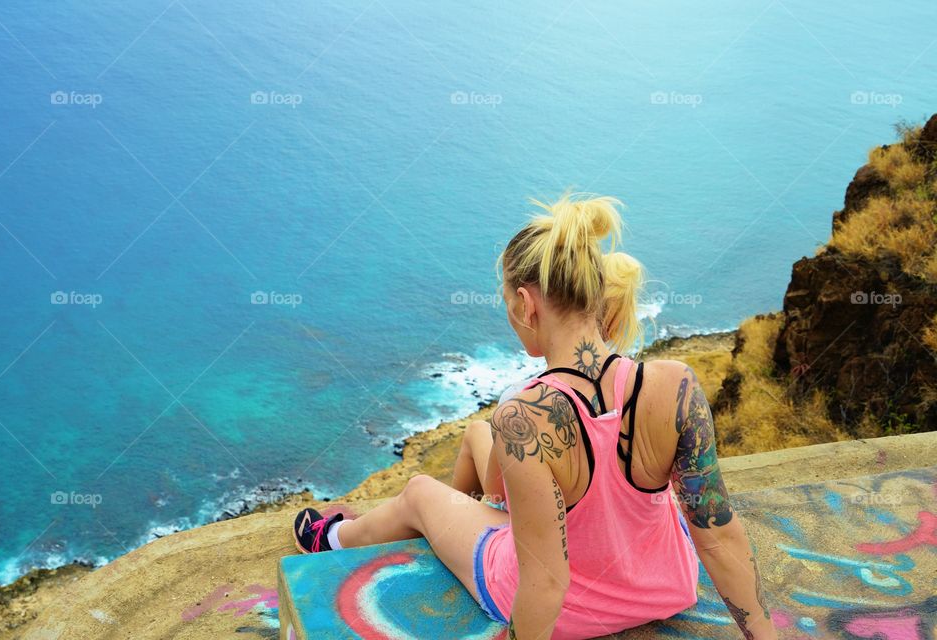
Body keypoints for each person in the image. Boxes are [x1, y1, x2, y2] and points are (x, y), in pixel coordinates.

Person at [293, 193, 776, 640]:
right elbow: (719, 536)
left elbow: (545, 581)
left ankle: (329, 537)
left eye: (507, 304)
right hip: (666, 588)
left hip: (570, 615)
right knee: (485, 441)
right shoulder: (677, 383)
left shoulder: (524, 414)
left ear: (526, 304)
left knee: (419, 491)